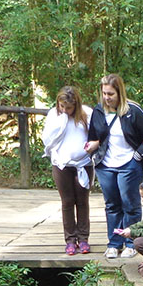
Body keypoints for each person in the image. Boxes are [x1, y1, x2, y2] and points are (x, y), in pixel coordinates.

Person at [84, 74, 143, 259]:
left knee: (130, 204)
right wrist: (92, 147)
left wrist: (139, 155)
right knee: (112, 205)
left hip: (129, 164)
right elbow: (94, 136)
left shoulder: (133, 110)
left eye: (111, 94)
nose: (107, 97)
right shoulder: (98, 111)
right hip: (105, 164)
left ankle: (131, 242)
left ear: (119, 92)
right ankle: (114, 243)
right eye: (104, 93)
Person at [41, 86, 93, 255]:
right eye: (62, 106)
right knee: (67, 201)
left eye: (68, 107)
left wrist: (91, 147)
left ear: (76, 104)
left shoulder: (87, 113)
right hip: (61, 164)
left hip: (83, 163)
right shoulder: (53, 114)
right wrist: (61, 121)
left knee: (82, 200)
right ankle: (70, 240)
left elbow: (96, 135)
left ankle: (83, 238)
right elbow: (47, 139)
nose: (65, 110)